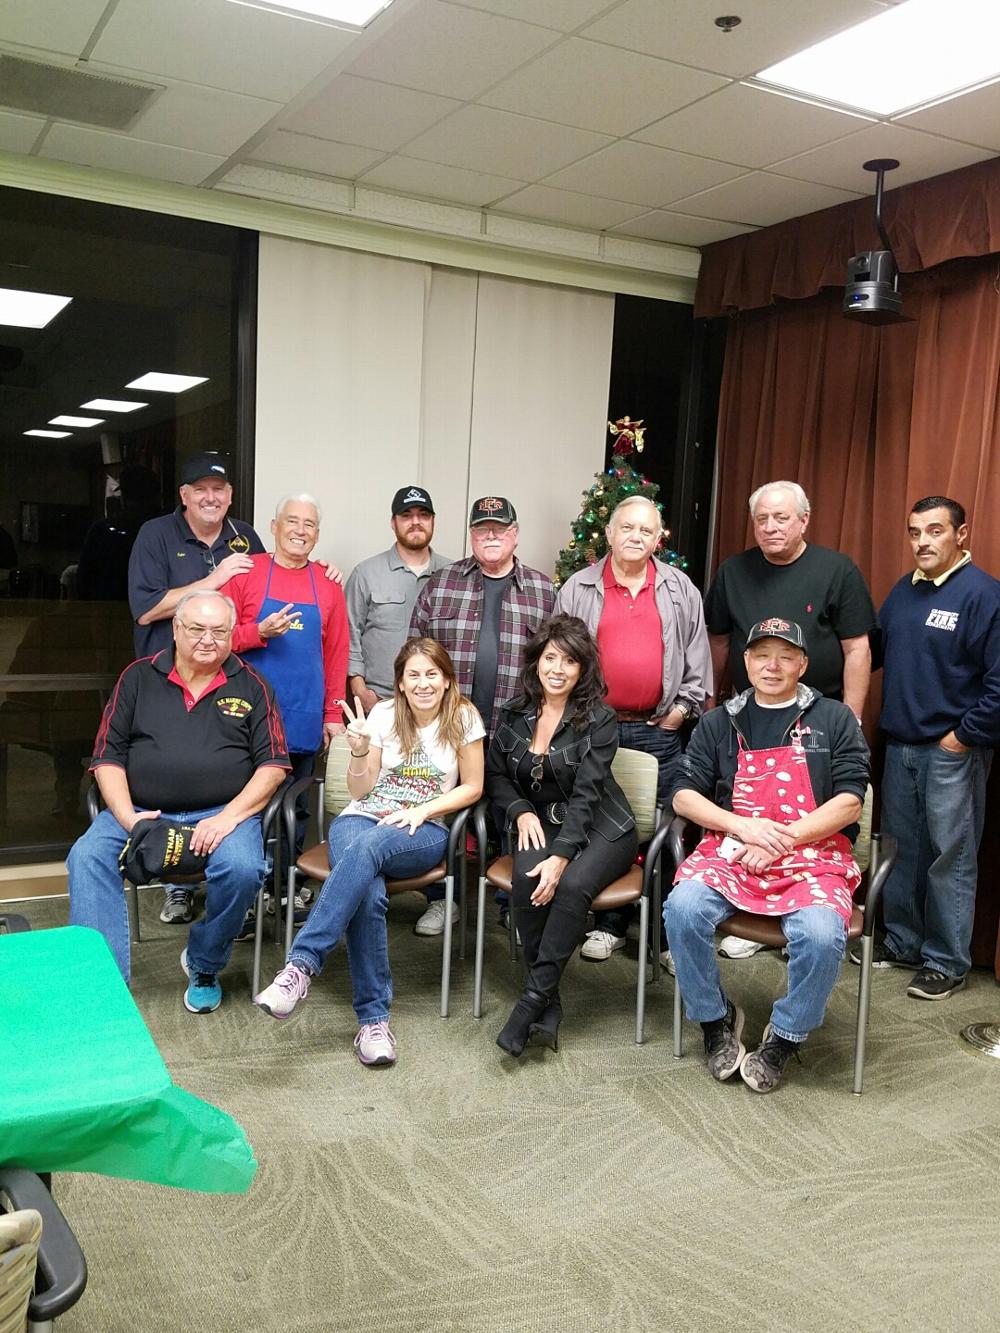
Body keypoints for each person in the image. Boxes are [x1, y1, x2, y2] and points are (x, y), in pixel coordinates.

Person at [253, 638, 484, 1067]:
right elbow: (360, 790)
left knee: (372, 846)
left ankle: (299, 968)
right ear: (399, 682)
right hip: (359, 818)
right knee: (369, 890)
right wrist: (359, 751)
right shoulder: (381, 715)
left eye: (432, 673)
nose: (423, 683)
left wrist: (424, 809)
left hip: (424, 829)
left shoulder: (464, 717)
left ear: (448, 679)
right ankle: (373, 1023)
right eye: (413, 675)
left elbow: (473, 786)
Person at [665, 618, 870, 1093]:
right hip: (733, 847)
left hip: (812, 854)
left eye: (784, 656)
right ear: (746, 661)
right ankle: (715, 1018)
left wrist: (782, 839)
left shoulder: (835, 718)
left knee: (821, 934)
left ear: (802, 663)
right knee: (683, 908)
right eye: (761, 656)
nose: (771, 666)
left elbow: (850, 801)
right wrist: (743, 827)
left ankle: (786, 1034)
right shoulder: (720, 722)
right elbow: (682, 796)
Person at [67, 590, 290, 1011]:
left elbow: (274, 766)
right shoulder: (137, 677)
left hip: (224, 812)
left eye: (220, 631)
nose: (208, 639)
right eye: (198, 629)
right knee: (86, 857)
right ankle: (103, 985)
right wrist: (130, 818)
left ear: (231, 635)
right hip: (140, 810)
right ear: (176, 628)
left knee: (243, 868)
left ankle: (205, 962)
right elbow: (107, 758)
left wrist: (228, 818)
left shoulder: (253, 685)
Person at [703, 480, 876, 961]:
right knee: (756, 815)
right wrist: (714, 703)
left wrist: (852, 717)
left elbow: (856, 647)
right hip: (750, 715)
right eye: (762, 519)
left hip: (822, 718)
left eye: (782, 518)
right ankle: (756, 909)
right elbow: (719, 642)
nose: (771, 527)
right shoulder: (734, 571)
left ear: (804, 520)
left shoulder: (836, 570)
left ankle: (805, 912)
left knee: (813, 823)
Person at [555, 495, 710, 961]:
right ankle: (608, 924)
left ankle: (662, 932)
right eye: (627, 528)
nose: (636, 537)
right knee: (603, 828)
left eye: (646, 530)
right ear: (608, 533)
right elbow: (558, 659)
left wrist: (681, 710)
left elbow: (698, 660)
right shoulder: (578, 587)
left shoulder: (681, 589)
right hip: (592, 730)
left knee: (667, 829)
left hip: (658, 730)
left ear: (658, 538)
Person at [486, 614, 638, 1056]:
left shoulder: (600, 719)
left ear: (582, 668)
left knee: (569, 886)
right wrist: (518, 811)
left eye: (569, 661)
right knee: (527, 882)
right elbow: (496, 774)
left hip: (603, 827)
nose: (557, 669)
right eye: (550, 658)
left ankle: (531, 1000)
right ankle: (549, 1004)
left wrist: (562, 856)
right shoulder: (514, 713)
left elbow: (588, 795)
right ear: (536, 662)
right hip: (542, 822)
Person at [871, 496, 1000, 1000]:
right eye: (914, 532)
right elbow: (875, 651)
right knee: (902, 852)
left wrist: (960, 738)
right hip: (899, 744)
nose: (922, 541)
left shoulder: (984, 595)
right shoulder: (904, 591)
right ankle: (903, 942)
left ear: (960, 535)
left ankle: (946, 960)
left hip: (953, 751)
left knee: (951, 856)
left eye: (935, 531)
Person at [410, 495, 554, 933]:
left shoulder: (544, 590)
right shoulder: (442, 583)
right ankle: (444, 898)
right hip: (450, 725)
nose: (490, 536)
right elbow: (415, 648)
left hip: (517, 728)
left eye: (499, 529)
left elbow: (558, 662)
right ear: (471, 535)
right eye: (482, 529)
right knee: (440, 809)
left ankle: (511, 900)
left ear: (514, 534)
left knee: (516, 811)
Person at [222, 493, 349, 926]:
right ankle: (243, 892)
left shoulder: (329, 584)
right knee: (246, 807)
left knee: (295, 808)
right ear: (274, 526)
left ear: (318, 534)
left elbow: (336, 654)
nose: (300, 530)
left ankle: (284, 888)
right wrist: (256, 632)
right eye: (292, 521)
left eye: (310, 524)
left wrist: (333, 713)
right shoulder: (245, 574)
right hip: (245, 718)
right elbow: (216, 640)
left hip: (302, 716)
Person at [345, 485, 451, 711]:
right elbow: (349, 635)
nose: (416, 522)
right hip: (380, 702)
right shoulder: (366, 573)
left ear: (433, 521)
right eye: (406, 516)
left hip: (437, 704)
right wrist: (360, 690)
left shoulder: (452, 575)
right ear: (393, 523)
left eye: (423, 515)